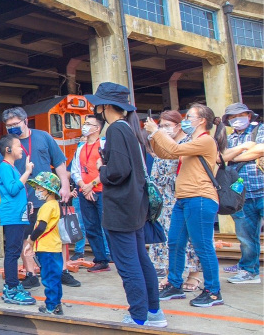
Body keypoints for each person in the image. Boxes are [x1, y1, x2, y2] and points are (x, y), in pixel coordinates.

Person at [90, 82, 167, 327]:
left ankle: (139, 315)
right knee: (141, 259)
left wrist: (102, 171)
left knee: (128, 264)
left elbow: (118, 171)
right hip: (135, 207)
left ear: (104, 106)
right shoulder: (129, 129)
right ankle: (153, 311)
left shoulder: (115, 130)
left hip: (120, 208)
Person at [0, 107, 79, 289]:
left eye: (15, 124)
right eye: (8, 126)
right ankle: (31, 273)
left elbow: (59, 162)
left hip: (47, 197)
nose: (12, 128)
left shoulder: (44, 137)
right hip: (25, 201)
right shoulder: (9, 144)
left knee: (55, 234)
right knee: (27, 237)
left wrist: (65, 186)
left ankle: (62, 271)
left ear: (25, 121)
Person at [145, 102, 227, 308]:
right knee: (174, 242)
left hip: (199, 198)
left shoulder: (206, 140)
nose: (186, 120)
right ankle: (174, 283)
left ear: (202, 120)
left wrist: (156, 131)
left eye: (190, 116)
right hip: (184, 199)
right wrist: (153, 137)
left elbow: (173, 148)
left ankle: (213, 290)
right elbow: (166, 153)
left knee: (203, 246)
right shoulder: (192, 140)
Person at [147, 110, 203, 291]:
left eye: (167, 126)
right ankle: (173, 275)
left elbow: (178, 157)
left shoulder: (188, 143)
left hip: (184, 196)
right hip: (164, 201)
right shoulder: (161, 143)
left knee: (190, 239)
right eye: (161, 125)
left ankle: (194, 275)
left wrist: (157, 133)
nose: (163, 129)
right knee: (170, 240)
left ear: (178, 126)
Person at [220, 103, 264, 284]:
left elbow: (261, 149)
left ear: (248, 114)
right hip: (241, 196)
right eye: (231, 117)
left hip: (261, 188)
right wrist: (245, 149)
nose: (235, 119)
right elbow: (221, 157)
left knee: (248, 235)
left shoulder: (259, 130)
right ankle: (249, 271)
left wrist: (234, 156)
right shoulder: (228, 138)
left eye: (239, 115)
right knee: (246, 237)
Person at [0, 135, 37, 305]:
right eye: (18, 146)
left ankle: (13, 285)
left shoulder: (11, 168)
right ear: (8, 150)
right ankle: (11, 288)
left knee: (15, 249)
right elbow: (13, 189)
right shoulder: (5, 167)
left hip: (17, 215)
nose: (21, 149)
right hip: (12, 215)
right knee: (13, 252)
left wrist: (26, 204)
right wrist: (27, 172)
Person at [70, 114, 111, 272]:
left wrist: (91, 185)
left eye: (88, 124)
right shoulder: (80, 148)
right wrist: (83, 186)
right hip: (84, 192)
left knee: (107, 226)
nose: (84, 126)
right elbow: (75, 170)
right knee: (91, 227)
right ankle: (100, 259)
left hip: (101, 191)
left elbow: (109, 168)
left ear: (97, 128)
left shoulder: (104, 144)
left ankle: (114, 255)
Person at [23, 172, 64, 315]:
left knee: (48, 277)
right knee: (55, 277)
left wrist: (30, 241)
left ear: (48, 190)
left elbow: (41, 227)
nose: (37, 191)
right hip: (54, 248)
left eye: (40, 188)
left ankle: (51, 306)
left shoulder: (47, 207)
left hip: (47, 248)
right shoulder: (55, 205)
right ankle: (56, 304)